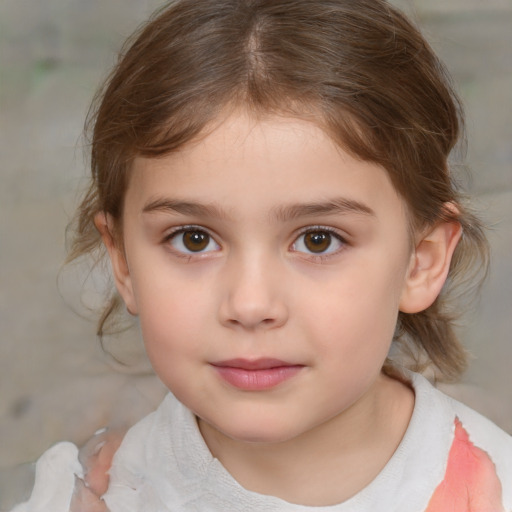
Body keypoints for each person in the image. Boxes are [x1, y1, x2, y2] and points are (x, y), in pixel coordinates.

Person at [11, 0, 512, 510]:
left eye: (319, 240)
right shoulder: (89, 496)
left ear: (420, 262)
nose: (250, 305)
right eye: (194, 239)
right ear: (122, 261)